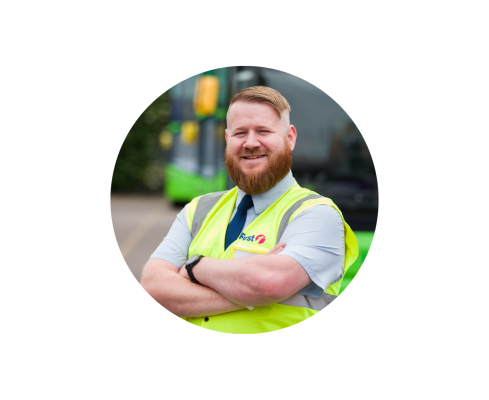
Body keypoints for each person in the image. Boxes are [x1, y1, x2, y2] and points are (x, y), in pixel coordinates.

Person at [141, 86, 358, 334]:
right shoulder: (198, 209)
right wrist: (249, 293)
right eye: (240, 133)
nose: (251, 142)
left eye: (263, 131)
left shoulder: (318, 214)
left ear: (290, 138)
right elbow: (153, 287)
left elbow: (267, 283)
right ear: (227, 139)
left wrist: (193, 267)